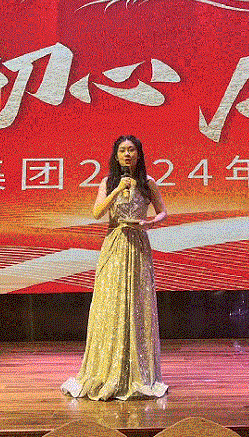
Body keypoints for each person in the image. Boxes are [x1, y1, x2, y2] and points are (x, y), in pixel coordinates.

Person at [61, 134, 169, 400]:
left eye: (131, 150)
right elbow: (97, 212)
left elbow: (163, 212)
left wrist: (150, 222)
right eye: (122, 150)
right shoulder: (108, 182)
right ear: (116, 155)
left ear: (139, 154)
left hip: (139, 245)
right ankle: (107, 369)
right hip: (115, 243)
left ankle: (138, 372)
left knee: (138, 303)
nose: (127, 154)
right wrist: (118, 189)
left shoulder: (148, 183)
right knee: (111, 302)